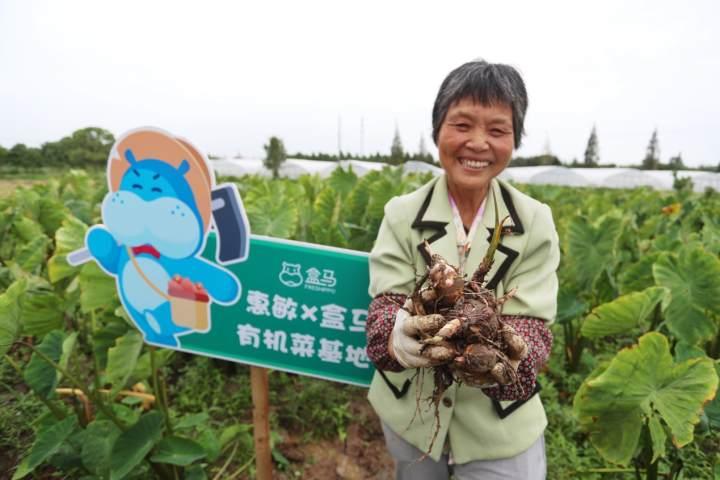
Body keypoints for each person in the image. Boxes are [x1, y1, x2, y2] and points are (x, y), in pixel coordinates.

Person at [365, 60, 559, 480]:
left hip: (501, 423)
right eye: (462, 125)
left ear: (514, 139)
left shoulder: (534, 221)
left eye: (496, 130)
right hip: (412, 418)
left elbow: (534, 326)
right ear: (437, 130)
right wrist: (397, 336)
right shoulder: (401, 215)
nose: (477, 143)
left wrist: (504, 353)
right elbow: (386, 307)